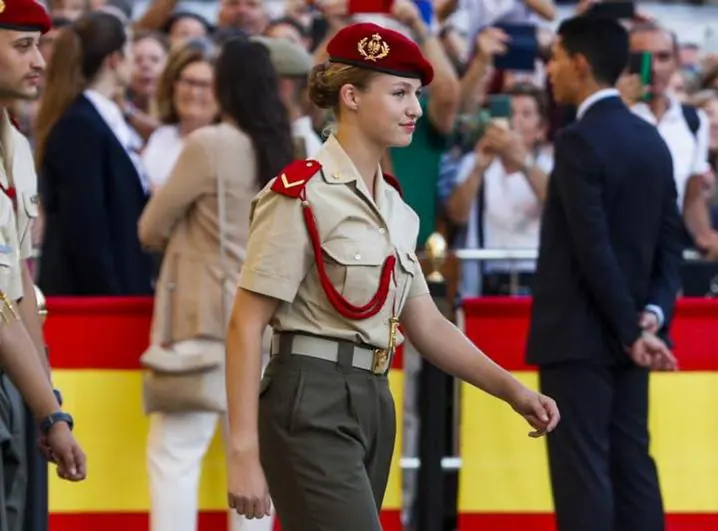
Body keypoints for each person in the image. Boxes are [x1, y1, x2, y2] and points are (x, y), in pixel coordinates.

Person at [224, 22, 560, 531]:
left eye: (417, 95)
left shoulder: (395, 206)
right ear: (352, 96)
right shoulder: (300, 192)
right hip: (308, 397)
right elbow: (246, 325)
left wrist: (513, 391)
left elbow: (425, 323)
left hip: (374, 397)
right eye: (400, 93)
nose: (416, 110)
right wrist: (243, 450)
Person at [526, 15, 684, 531]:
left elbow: (592, 249)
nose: (549, 71)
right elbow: (670, 246)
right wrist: (650, 318)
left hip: (580, 340)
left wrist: (632, 331)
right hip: (632, 333)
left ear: (580, 63)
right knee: (632, 464)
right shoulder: (652, 139)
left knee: (584, 475)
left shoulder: (577, 142)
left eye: (554, 58)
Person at [138, 38, 293, 531]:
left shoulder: (209, 144)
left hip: (205, 321)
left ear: (225, 86)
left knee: (175, 455)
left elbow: (150, 228)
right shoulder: (285, 147)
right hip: (266, 326)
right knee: (251, 465)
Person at [0, 2, 87, 530]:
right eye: (21, 46)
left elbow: (22, 283)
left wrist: (48, 403)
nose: (38, 61)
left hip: (14, 379)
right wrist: (49, 413)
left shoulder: (17, 145)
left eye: (39, 46)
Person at [35, 11, 153, 296]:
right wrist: (112, 294)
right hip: (93, 299)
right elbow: (86, 224)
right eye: (130, 52)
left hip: (117, 286)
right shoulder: (80, 125)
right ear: (114, 59)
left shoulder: (104, 118)